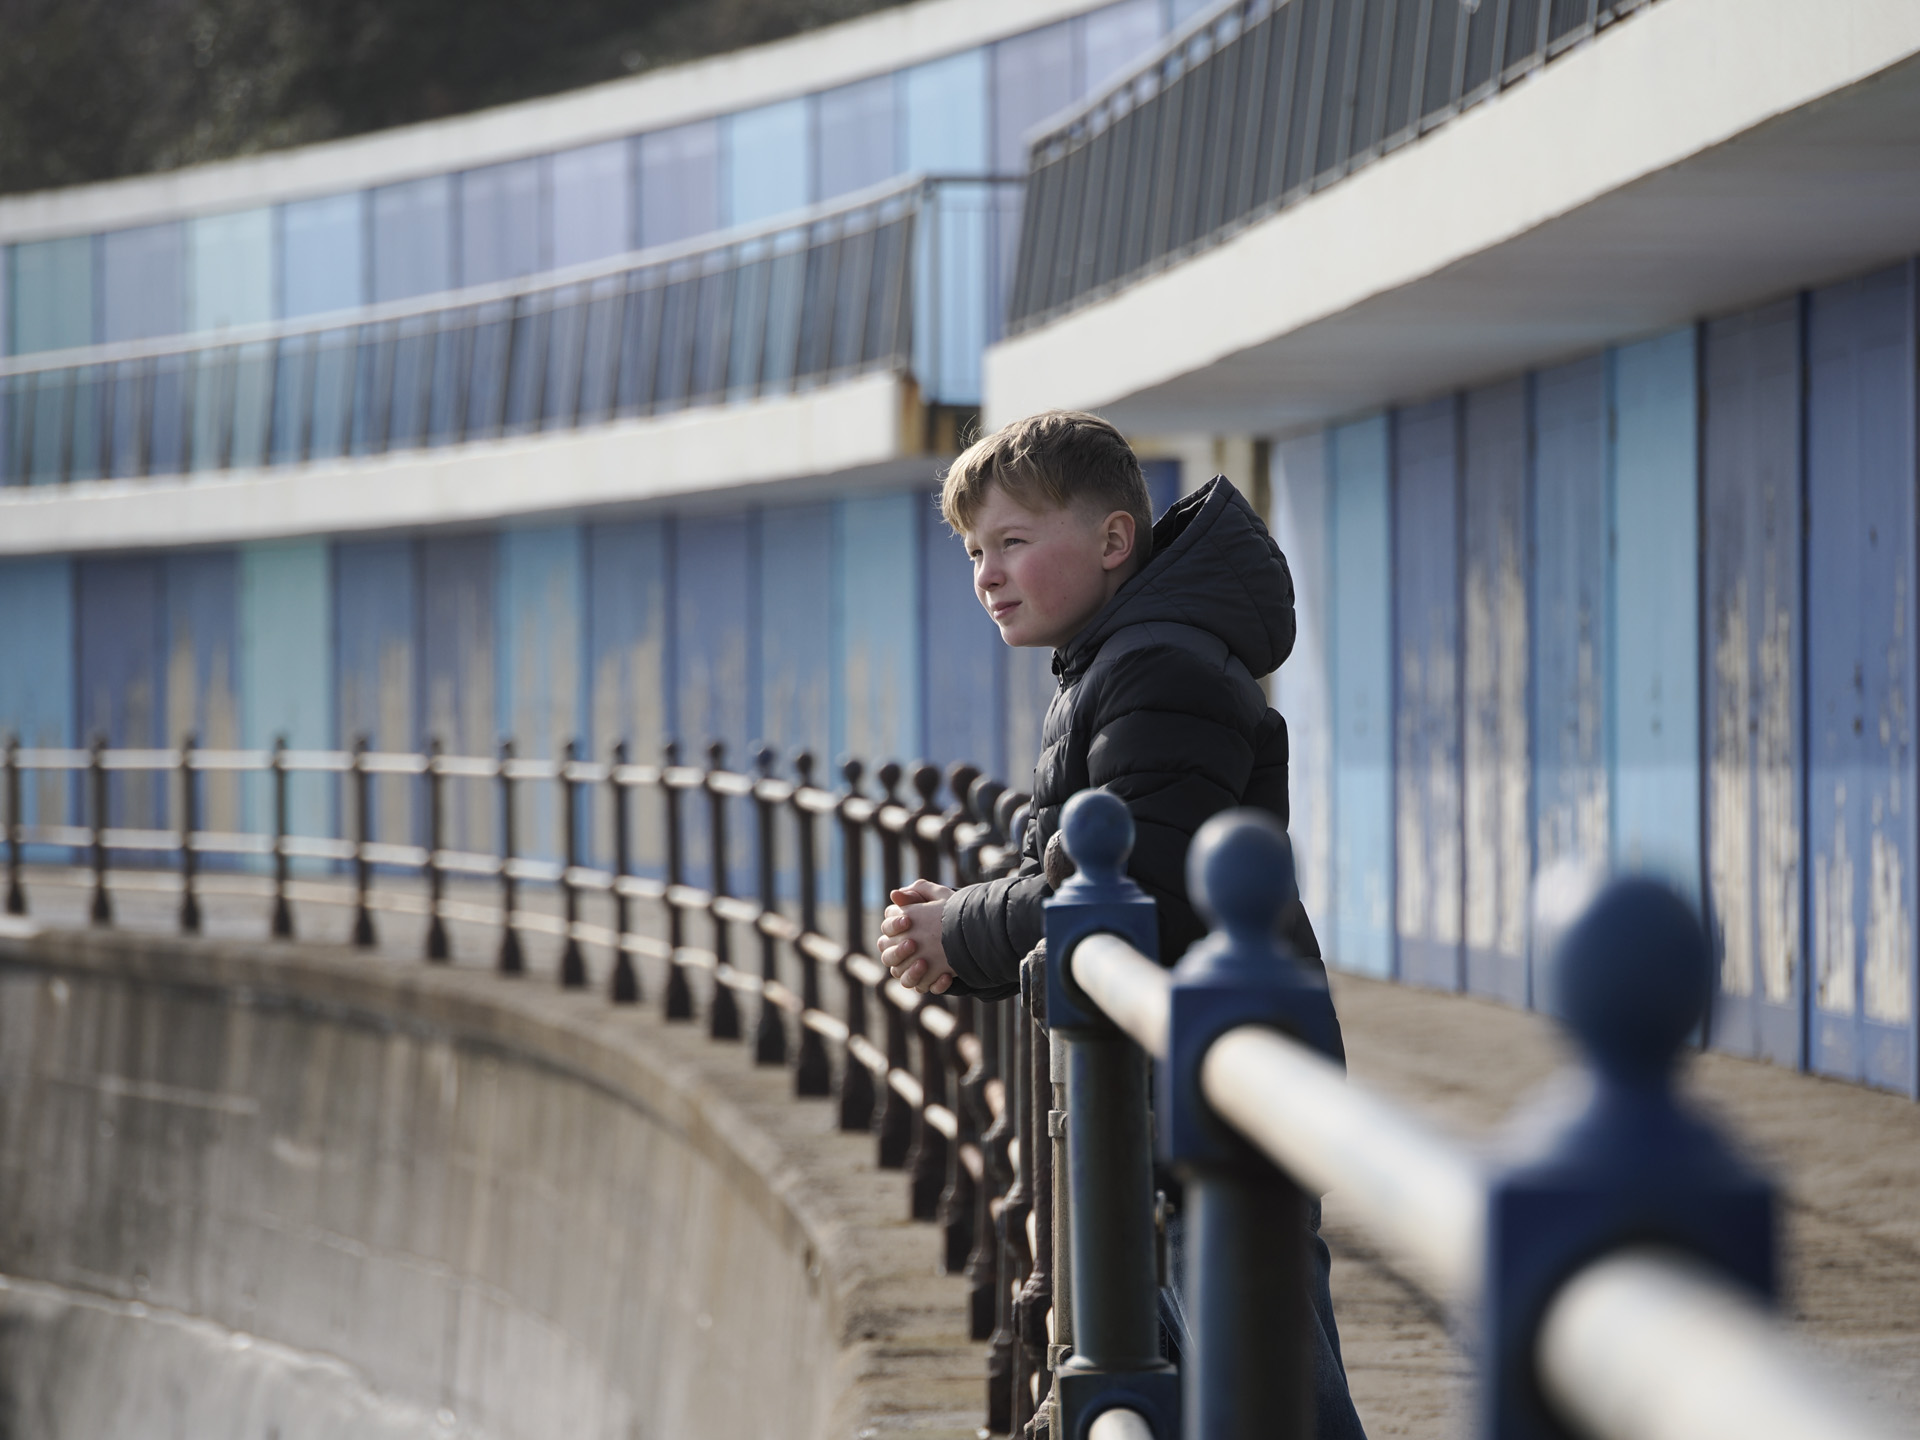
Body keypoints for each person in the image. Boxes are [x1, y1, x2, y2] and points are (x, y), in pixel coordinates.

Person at [875, 408, 1365, 1439]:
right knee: (1203, 1343)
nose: (987, 574)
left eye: (1013, 542)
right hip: (1186, 1051)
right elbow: (1070, 865)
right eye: (974, 551)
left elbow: (1135, 875)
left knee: (1272, 1367)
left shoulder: (1158, 667)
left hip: (1221, 1054)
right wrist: (963, 923)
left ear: (1112, 541)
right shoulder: (1118, 657)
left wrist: (960, 927)